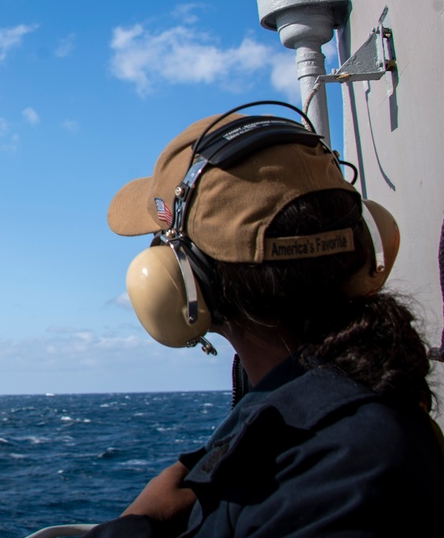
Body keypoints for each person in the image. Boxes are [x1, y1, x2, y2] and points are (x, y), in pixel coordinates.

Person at [84, 105, 444, 537]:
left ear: (186, 280)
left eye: (161, 242)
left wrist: (137, 527)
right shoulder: (355, 410)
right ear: (368, 243)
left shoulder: (349, 468)